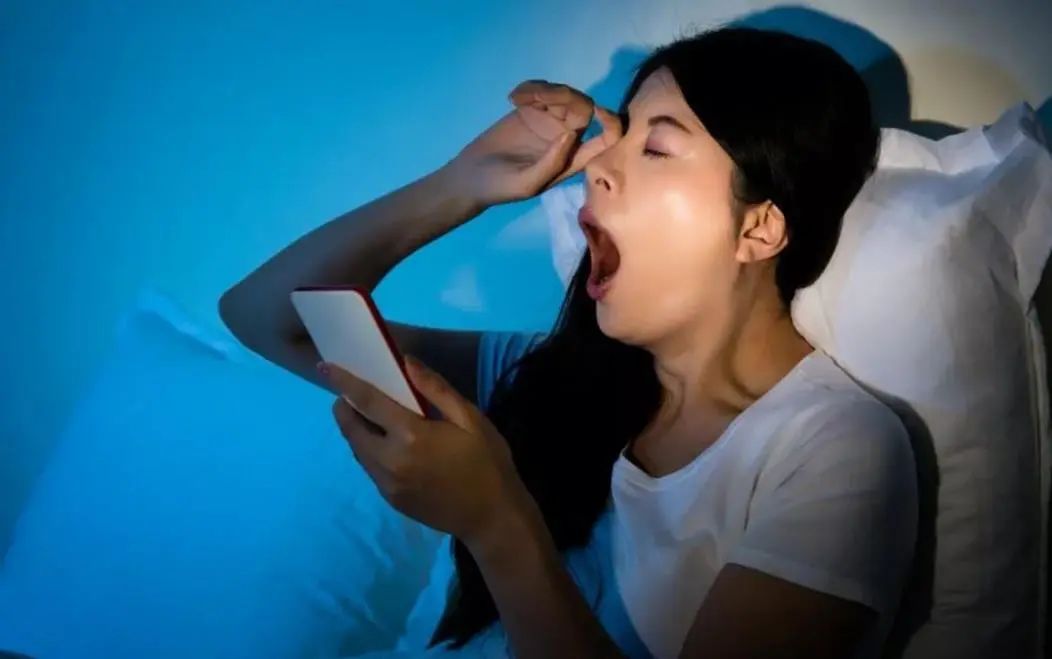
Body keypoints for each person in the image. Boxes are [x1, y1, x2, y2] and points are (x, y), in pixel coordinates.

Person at [220, 25, 918, 659]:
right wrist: (461, 184)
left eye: (657, 147)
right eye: (620, 138)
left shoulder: (834, 450)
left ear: (758, 228)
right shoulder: (547, 375)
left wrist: (496, 523)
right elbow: (263, 316)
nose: (599, 167)